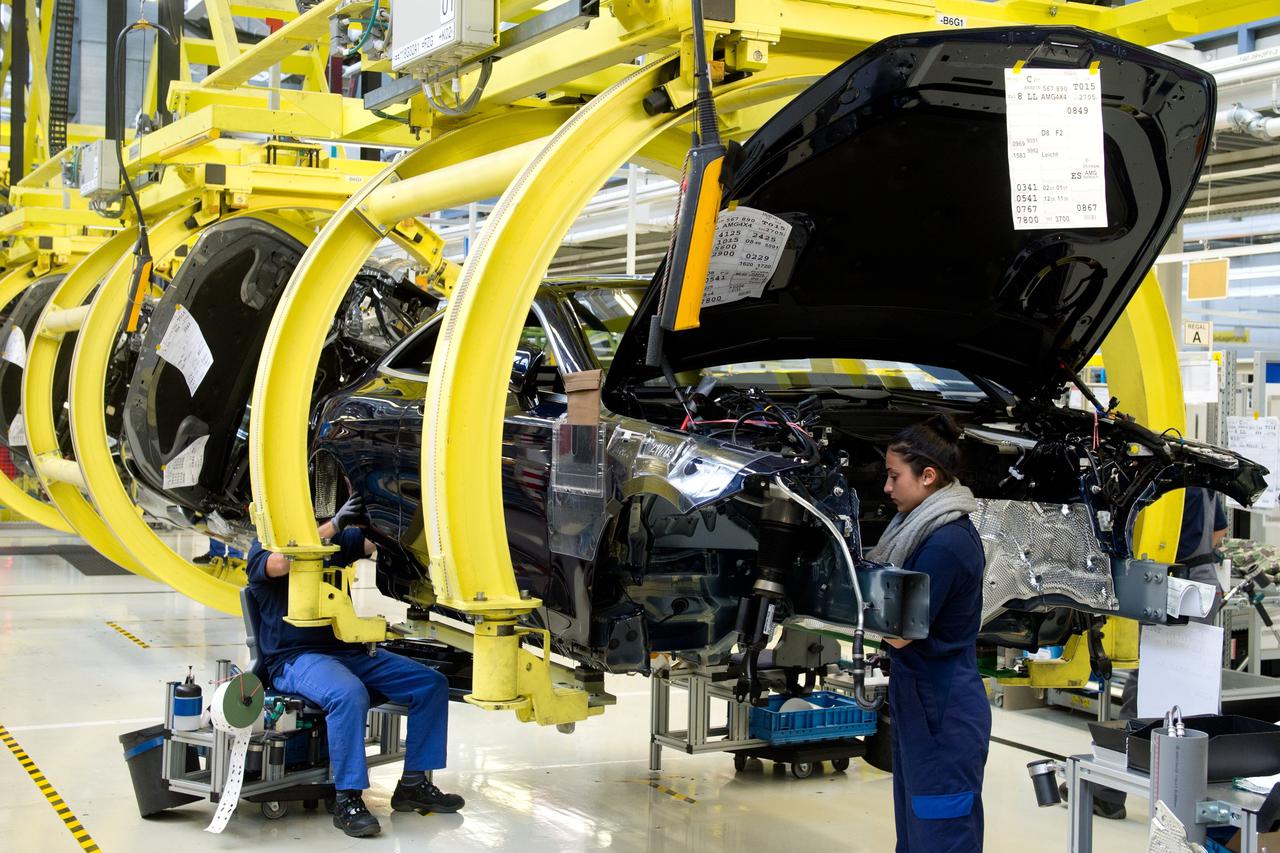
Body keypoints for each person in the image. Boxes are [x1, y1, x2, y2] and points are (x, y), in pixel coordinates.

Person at [246, 493, 463, 838]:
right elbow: (279, 564)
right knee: (348, 694)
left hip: (347, 650)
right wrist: (331, 527)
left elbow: (369, 544)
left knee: (430, 684)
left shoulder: (336, 540)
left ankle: (412, 784)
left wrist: (394, 519)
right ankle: (347, 798)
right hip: (294, 660)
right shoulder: (262, 549)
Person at [867, 414, 989, 853]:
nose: (887, 487)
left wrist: (854, 602)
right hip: (921, 699)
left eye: (894, 476)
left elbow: (899, 634)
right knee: (917, 831)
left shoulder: (945, 544)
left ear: (929, 476)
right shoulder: (921, 531)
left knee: (942, 832)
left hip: (943, 708)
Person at [1090, 486, 1230, 819]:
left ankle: (1109, 791)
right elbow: (1219, 531)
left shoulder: (1163, 485)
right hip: (1203, 582)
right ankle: (1199, 793)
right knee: (1197, 689)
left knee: (1147, 687)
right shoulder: (1204, 483)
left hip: (1170, 585)